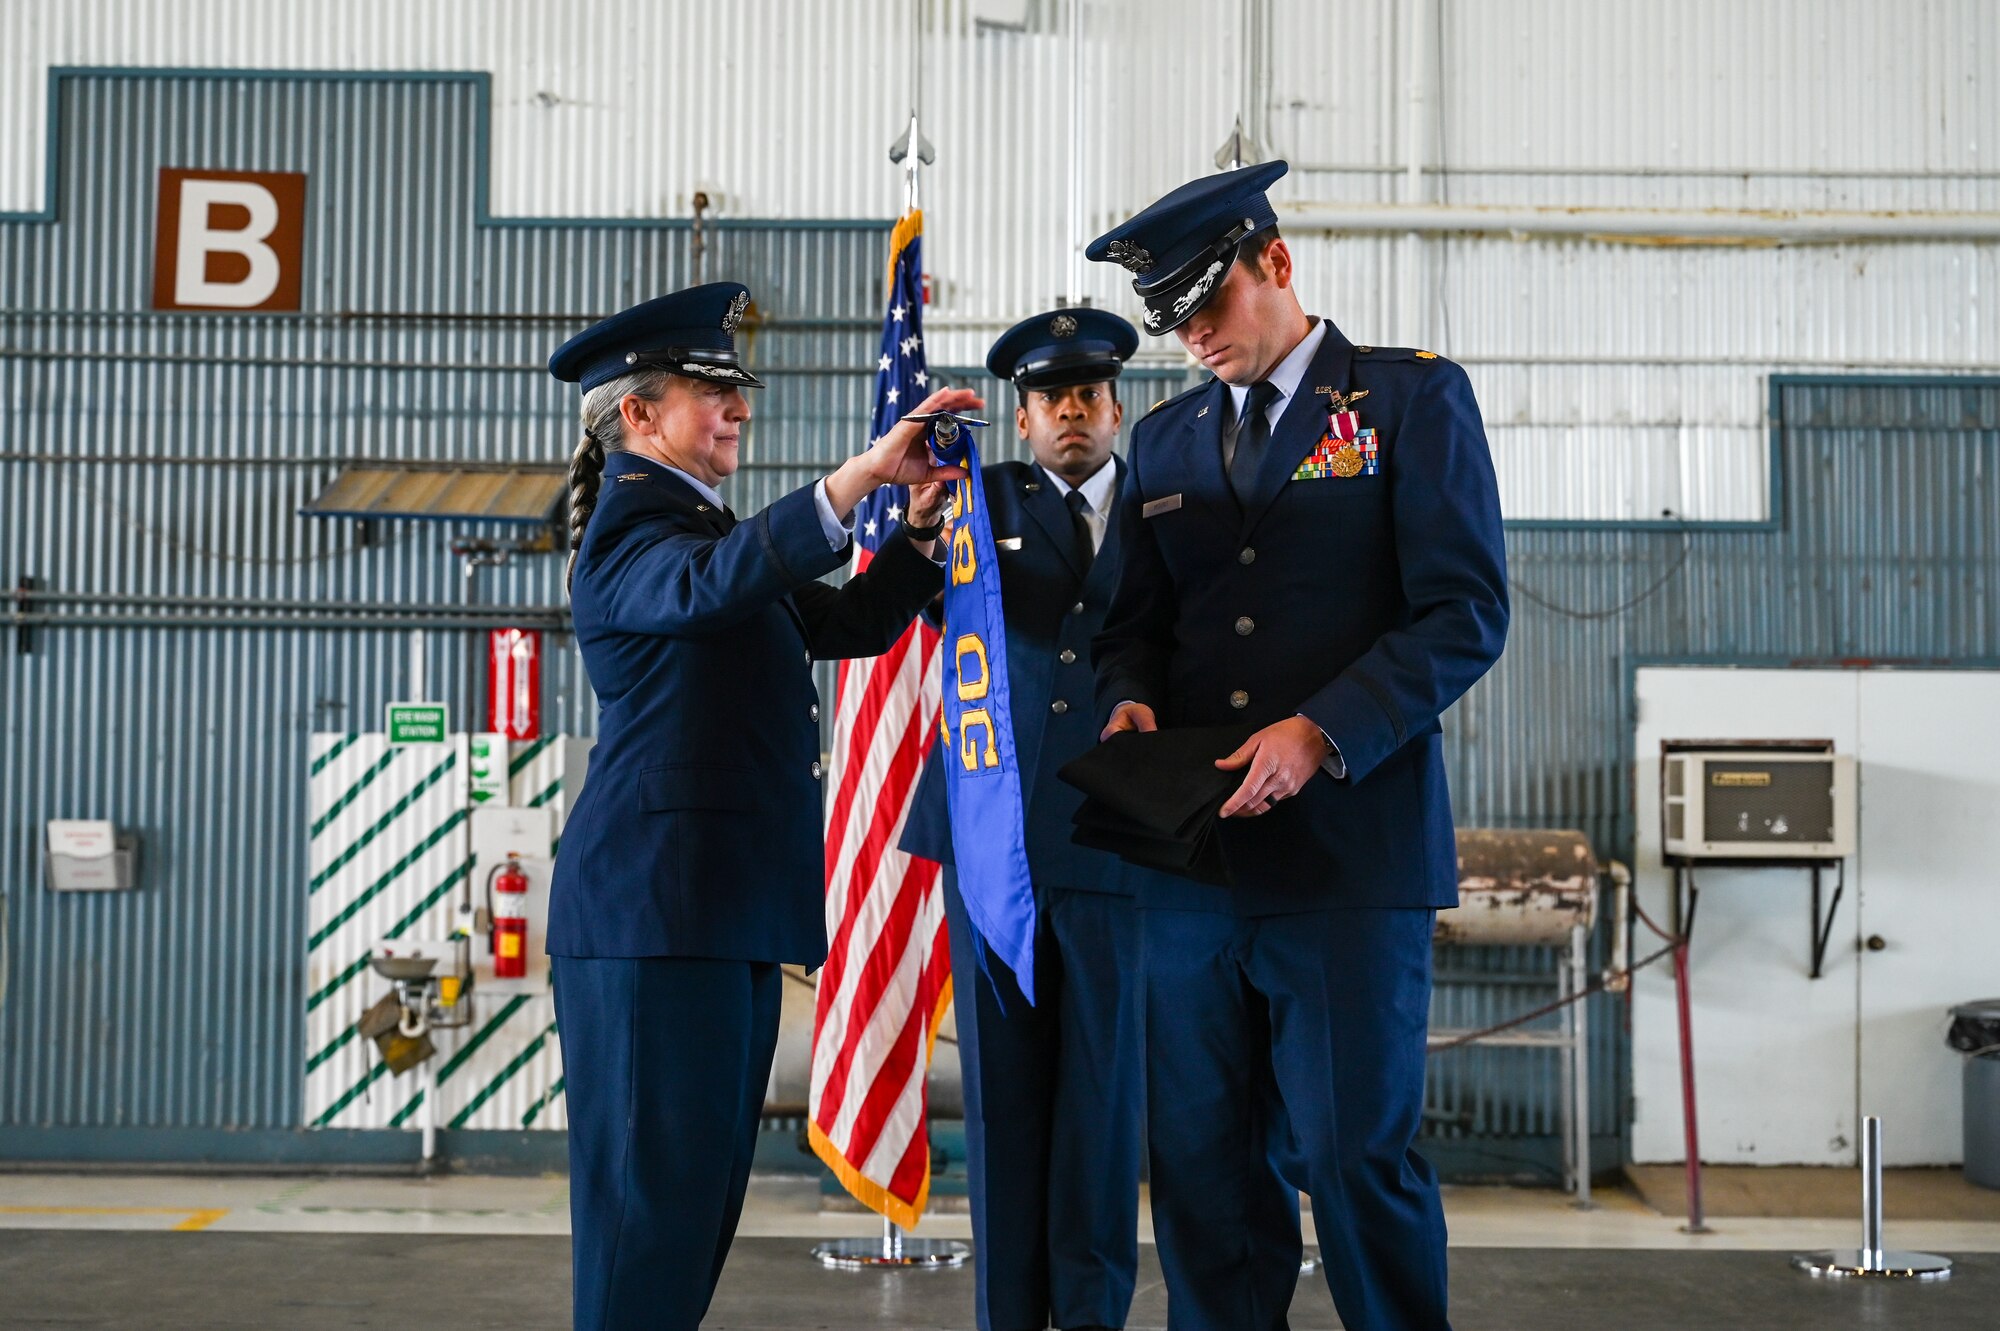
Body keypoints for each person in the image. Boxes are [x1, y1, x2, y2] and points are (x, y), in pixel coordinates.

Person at [1085, 163, 1509, 1330]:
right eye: (1171, 322)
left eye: (1208, 306)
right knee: (1205, 1171)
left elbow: (1463, 612)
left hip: (1345, 861)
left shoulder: (1406, 403)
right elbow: (1133, 626)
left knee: (1350, 1156)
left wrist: (1322, 729)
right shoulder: (1164, 440)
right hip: (1189, 870)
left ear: (1274, 262)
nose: (1195, 339)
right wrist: (1126, 701)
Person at [545, 281, 980, 1331]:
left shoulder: (703, 528)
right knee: (647, 1213)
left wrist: (916, 529)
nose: (737, 409)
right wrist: (855, 478)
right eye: (710, 393)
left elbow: (849, 621)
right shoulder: (630, 536)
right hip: (654, 919)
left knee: (693, 1205)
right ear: (637, 415)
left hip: (716, 914)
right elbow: (709, 588)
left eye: (736, 393)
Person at [899, 307, 1146, 1331]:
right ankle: (1007, 1314)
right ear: (1022, 414)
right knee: (1001, 1096)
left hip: (1121, 834)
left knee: (1102, 1099)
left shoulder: (1165, 505)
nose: (1071, 413)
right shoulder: (968, 500)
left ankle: (1088, 1312)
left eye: (1088, 394)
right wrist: (916, 528)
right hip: (994, 829)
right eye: (1051, 398)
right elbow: (917, 604)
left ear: (1115, 407)